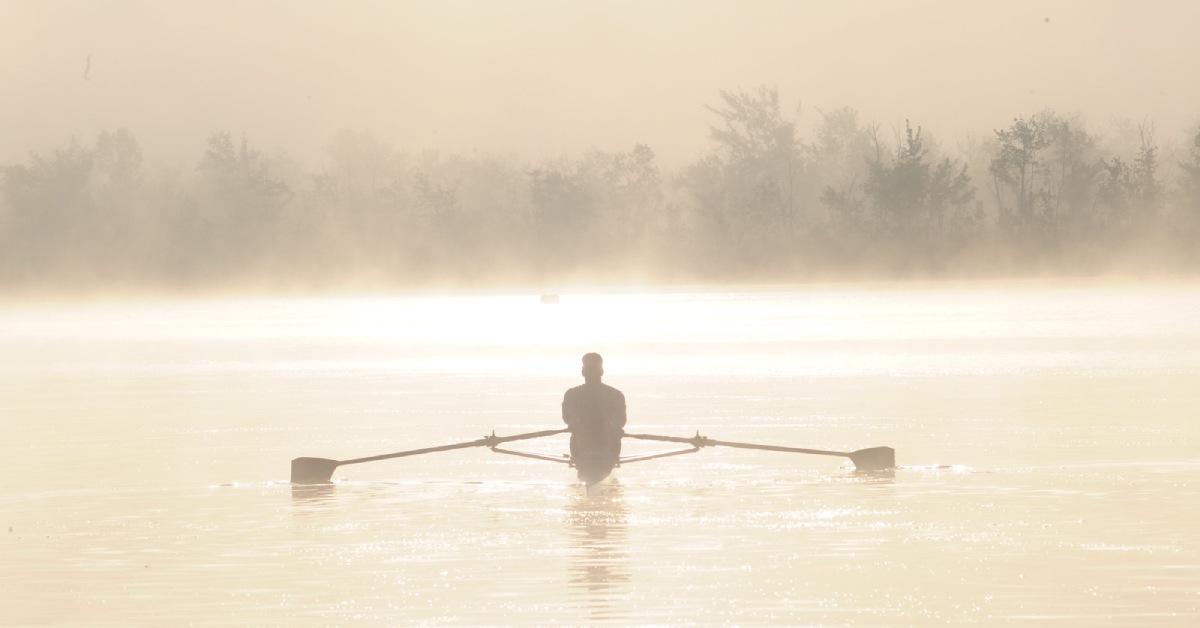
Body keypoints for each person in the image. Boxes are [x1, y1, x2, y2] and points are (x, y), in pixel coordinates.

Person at [562, 353, 626, 477]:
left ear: (601, 372)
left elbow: (621, 421)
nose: (591, 374)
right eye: (589, 370)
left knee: (610, 432)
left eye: (593, 370)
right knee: (580, 429)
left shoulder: (615, 395)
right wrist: (574, 425)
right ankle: (592, 465)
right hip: (582, 445)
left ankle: (594, 466)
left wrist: (614, 428)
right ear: (583, 372)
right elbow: (567, 418)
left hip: (607, 444)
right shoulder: (572, 394)